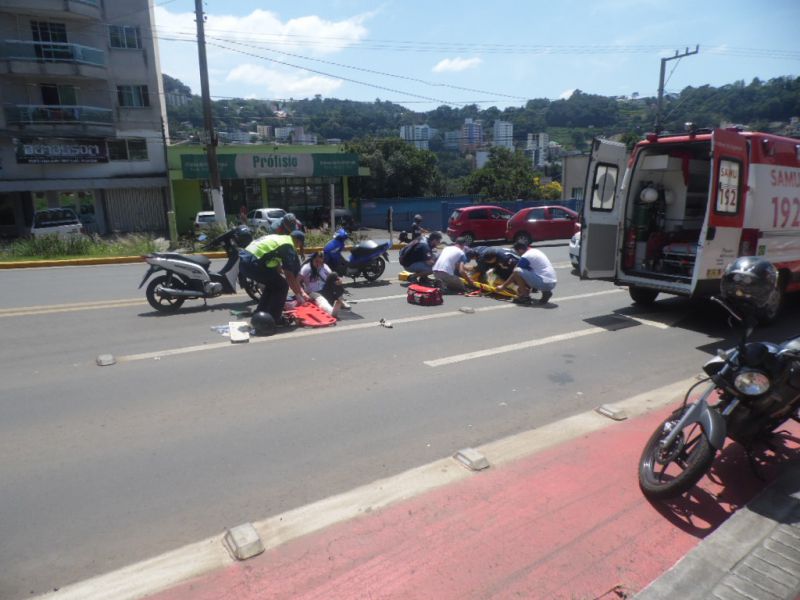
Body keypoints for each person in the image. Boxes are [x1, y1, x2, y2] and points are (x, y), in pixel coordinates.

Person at [239, 229, 310, 324]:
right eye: (299, 245)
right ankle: (274, 318)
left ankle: (260, 313)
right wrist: (298, 295)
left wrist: (282, 274)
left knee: (273, 284)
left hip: (244, 262)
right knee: (282, 285)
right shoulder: (288, 245)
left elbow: (277, 266)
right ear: (298, 241)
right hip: (253, 263)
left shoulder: (280, 239)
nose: (297, 247)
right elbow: (289, 275)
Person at [298, 252, 349, 317]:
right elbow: (297, 282)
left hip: (324, 290)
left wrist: (339, 281)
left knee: (334, 275)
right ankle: (331, 311)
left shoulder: (324, 266)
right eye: (317, 261)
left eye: (321, 262)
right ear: (312, 260)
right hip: (313, 292)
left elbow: (333, 277)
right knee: (321, 300)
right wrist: (303, 293)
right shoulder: (306, 268)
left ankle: (341, 300)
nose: (318, 264)